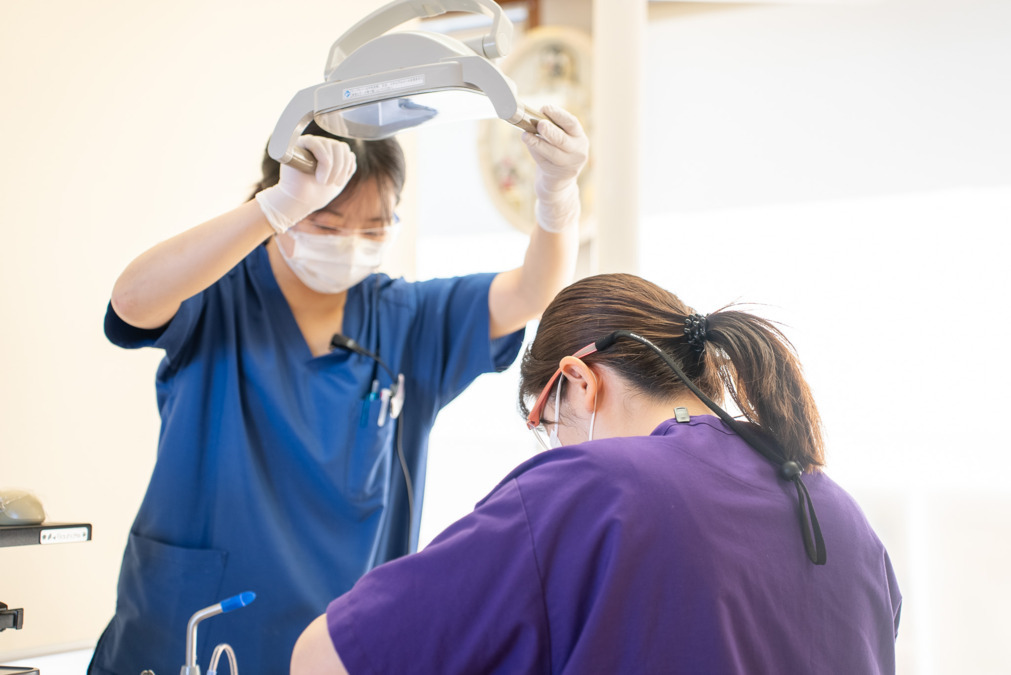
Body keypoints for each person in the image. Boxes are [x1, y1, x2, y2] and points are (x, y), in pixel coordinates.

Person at [89, 104, 588, 675]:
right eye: (326, 225)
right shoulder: (218, 292)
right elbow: (130, 301)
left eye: (374, 227)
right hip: (188, 632)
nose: (350, 243)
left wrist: (557, 193)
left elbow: (533, 290)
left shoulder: (406, 318)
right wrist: (269, 208)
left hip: (336, 645)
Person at [290, 273, 902, 675]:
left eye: (546, 422)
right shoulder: (838, 512)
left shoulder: (590, 487)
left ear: (579, 382)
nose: (552, 446)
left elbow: (325, 658)